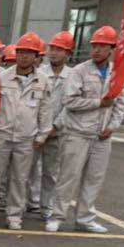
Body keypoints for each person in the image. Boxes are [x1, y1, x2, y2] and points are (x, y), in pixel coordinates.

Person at [48, 25, 124, 233]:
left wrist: (112, 126)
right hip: (77, 133)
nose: (97, 50)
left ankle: (85, 218)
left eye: (102, 46)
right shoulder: (79, 71)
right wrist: (98, 103)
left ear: (111, 49)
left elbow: (120, 103)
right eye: (95, 46)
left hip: (102, 137)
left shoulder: (117, 72)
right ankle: (57, 216)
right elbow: (69, 101)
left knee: (94, 179)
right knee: (68, 177)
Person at [0, 33, 51, 230]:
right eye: (20, 52)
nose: (23, 56)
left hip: (27, 138)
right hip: (1, 135)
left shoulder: (43, 81)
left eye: (28, 53)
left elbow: (45, 110)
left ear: (36, 57)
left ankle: (14, 215)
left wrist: (42, 135)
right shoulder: (2, 77)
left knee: (20, 179)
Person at [29, 31, 74, 219]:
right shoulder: (39, 73)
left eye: (59, 50)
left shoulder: (73, 76)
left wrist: (55, 127)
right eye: (52, 49)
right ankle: (27, 202)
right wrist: (40, 129)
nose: (54, 53)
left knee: (51, 172)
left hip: (57, 132)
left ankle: (46, 206)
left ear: (68, 53)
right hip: (35, 131)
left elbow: (70, 105)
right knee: (27, 169)